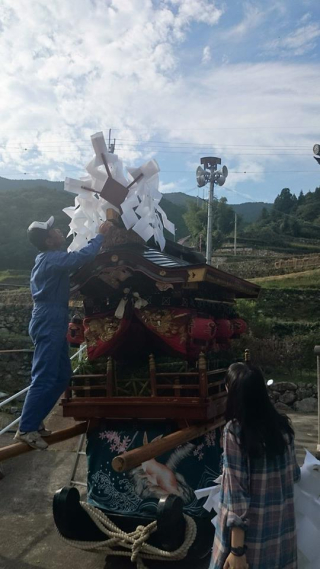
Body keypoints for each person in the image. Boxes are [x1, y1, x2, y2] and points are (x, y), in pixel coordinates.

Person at [14, 216, 108, 450]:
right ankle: (26, 427)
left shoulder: (49, 260)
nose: (58, 230)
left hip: (53, 317)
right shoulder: (51, 259)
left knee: (62, 376)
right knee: (44, 375)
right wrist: (100, 235)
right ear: (48, 240)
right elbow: (80, 257)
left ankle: (34, 423)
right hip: (48, 318)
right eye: (53, 230)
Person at [211, 363, 300, 569]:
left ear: (232, 392)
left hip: (248, 545)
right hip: (281, 537)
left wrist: (237, 551)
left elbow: (237, 499)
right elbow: (293, 475)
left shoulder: (234, 432)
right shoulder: (283, 428)